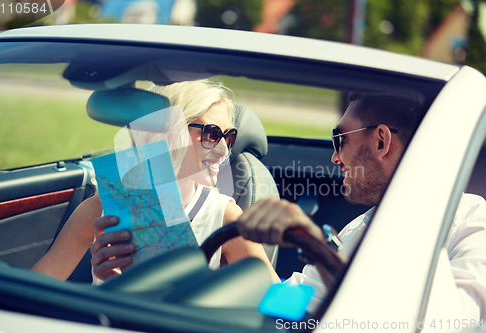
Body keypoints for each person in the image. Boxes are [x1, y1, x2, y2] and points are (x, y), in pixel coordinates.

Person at [236, 94, 486, 320]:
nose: (334, 157)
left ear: (381, 142)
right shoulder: (360, 228)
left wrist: (322, 251)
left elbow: (448, 322)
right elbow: (286, 303)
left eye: (340, 139)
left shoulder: (474, 225)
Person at [31, 79, 279, 283]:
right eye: (212, 134)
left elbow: (279, 304)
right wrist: (105, 283)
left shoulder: (224, 217)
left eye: (228, 136)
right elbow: (36, 288)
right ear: (166, 132)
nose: (224, 150)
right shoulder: (101, 209)